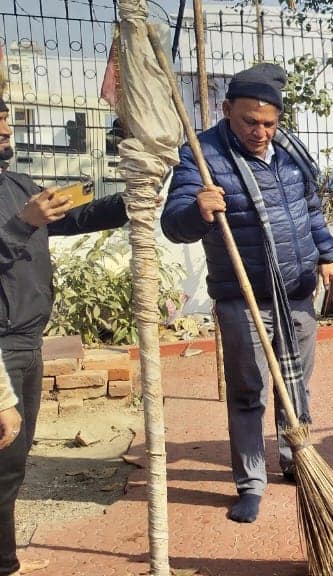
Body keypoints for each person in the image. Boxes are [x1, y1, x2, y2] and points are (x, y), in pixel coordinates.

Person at [162, 63, 333, 524]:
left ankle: (296, 460)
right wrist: (197, 210)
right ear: (227, 110)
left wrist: (326, 255)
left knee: (294, 386)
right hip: (243, 298)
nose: (260, 133)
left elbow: (309, 208)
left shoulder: (290, 153)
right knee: (248, 392)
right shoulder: (201, 155)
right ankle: (250, 484)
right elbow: (174, 223)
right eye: (249, 122)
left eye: (269, 123)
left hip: (297, 292)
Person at [1, 95, 129, 575]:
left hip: (27, 342)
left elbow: (72, 218)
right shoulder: (21, 205)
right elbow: (22, 231)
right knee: (4, 461)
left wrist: (128, 202)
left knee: (13, 462)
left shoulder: (17, 185)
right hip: (1, 349)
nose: (7, 132)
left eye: (6, 122)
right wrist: (22, 224)